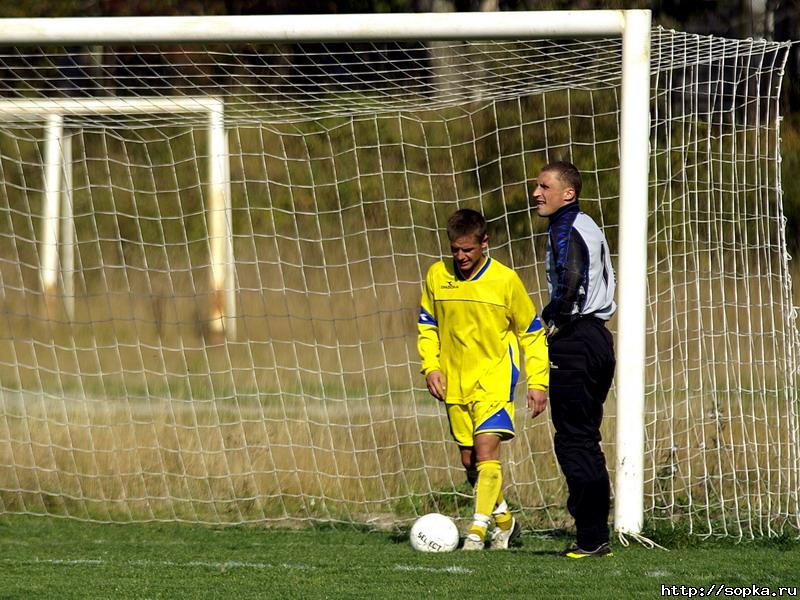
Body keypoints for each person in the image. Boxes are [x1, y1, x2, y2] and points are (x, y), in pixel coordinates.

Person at [417, 208, 549, 551]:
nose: (461, 257)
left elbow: (532, 333)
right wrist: (431, 366)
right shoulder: (436, 275)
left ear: (484, 243)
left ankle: (476, 534)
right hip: (454, 383)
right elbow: (427, 325)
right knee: (469, 460)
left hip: (494, 380)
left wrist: (538, 382)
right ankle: (505, 522)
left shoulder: (505, 281)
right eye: (455, 250)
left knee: (487, 450)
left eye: (468, 250)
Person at [531, 161, 617, 559]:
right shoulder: (587, 224)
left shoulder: (565, 226)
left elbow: (571, 274)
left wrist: (555, 316)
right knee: (583, 438)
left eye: (544, 186)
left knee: (573, 441)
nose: (536, 193)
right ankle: (595, 532)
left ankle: (592, 537)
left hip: (577, 338)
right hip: (597, 338)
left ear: (568, 193)